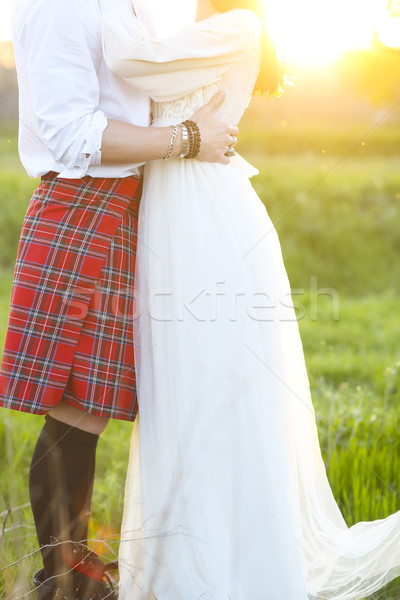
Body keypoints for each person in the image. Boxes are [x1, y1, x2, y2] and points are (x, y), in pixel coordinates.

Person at [101, 0, 400, 598]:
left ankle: (240, 568)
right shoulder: (195, 31)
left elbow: (133, 62)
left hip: (208, 221)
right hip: (171, 216)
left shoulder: (239, 26)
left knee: (220, 382)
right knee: (178, 386)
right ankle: (185, 560)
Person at [0, 0, 240, 598]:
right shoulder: (61, 7)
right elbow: (72, 132)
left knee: (92, 404)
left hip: (122, 207)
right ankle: (61, 573)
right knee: (74, 406)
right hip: (82, 207)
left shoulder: (127, 5)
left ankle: (68, 563)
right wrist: (188, 138)